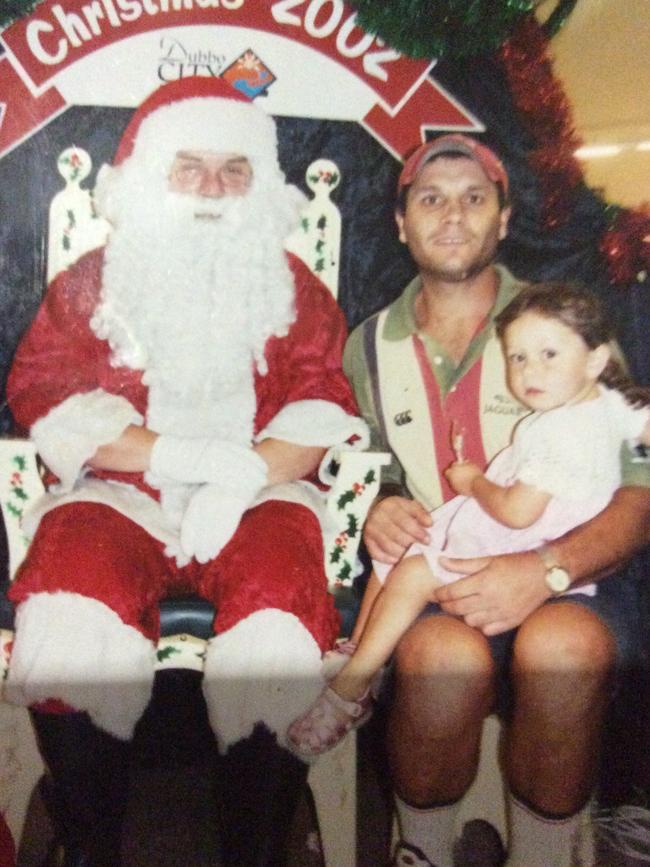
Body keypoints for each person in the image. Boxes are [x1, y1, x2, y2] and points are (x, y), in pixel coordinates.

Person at [5, 76, 367, 866]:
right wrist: (182, 457)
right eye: (190, 166)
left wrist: (241, 478)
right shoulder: (95, 282)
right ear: (148, 177)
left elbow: (319, 404)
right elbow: (46, 392)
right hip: (123, 492)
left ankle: (252, 843)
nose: (214, 188)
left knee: (278, 612)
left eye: (235, 169)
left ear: (260, 186)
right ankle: (91, 841)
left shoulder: (291, 287)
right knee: (68, 600)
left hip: (262, 492)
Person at [340, 134, 650, 867]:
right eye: (432, 198)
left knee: (561, 650)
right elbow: (361, 463)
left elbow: (641, 485)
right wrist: (380, 500)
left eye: (475, 197)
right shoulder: (368, 345)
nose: (453, 215)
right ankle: (422, 848)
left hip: (575, 574)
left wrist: (546, 567)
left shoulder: (570, 323)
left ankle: (543, 854)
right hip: (447, 573)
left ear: (505, 219)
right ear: (401, 221)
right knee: (438, 661)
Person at [287, 282, 650, 757]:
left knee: (414, 569)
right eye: (517, 358)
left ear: (596, 360)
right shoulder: (601, 407)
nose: (529, 371)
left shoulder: (559, 432)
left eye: (548, 355)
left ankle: (349, 692)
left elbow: (518, 511)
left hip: (523, 539)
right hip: (521, 529)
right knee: (401, 549)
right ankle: (364, 654)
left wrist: (472, 481)